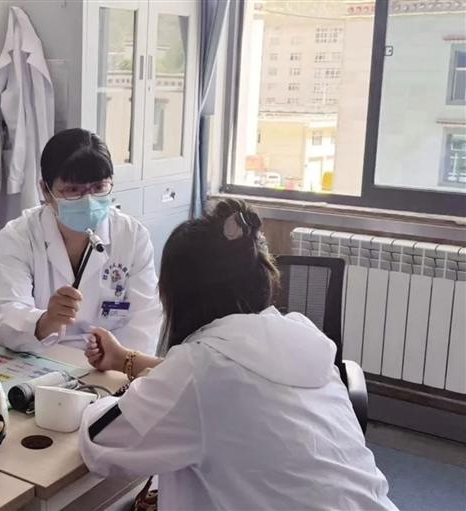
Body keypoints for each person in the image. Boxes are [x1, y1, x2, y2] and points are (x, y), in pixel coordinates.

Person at [79, 199, 397, 511]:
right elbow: (229, 377)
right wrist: (127, 360)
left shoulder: (198, 370)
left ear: (181, 294)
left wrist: (108, 396)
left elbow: (101, 439)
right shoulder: (300, 335)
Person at [0, 128, 161, 354]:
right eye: (72, 190)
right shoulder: (20, 236)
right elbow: (5, 312)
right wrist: (45, 321)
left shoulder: (132, 236)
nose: (88, 200)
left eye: (98, 187)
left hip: (112, 364)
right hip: (42, 357)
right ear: (45, 190)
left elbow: (145, 322)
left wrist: (118, 360)